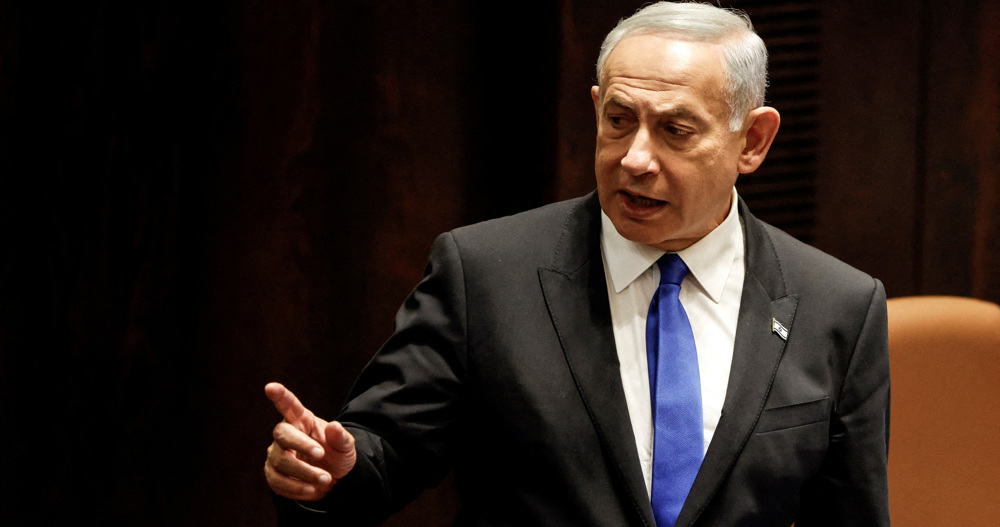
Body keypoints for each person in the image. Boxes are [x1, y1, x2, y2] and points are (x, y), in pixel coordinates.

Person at [264, 2, 890, 526]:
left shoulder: (839, 305)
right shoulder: (485, 274)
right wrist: (330, 472)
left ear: (752, 141)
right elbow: (384, 453)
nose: (636, 158)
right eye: (619, 121)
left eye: (675, 130)